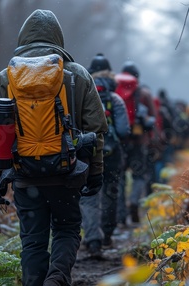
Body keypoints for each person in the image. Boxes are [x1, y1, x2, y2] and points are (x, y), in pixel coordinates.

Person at [0, 9, 107, 286]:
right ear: (58, 38)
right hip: (66, 173)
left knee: (33, 241)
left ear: (24, 37)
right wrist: (95, 173)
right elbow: (96, 130)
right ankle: (57, 278)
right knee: (67, 228)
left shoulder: (5, 78)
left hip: (24, 175)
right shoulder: (78, 75)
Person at [80, 53, 130, 257]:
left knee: (89, 197)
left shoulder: (83, 95)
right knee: (111, 193)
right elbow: (124, 130)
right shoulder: (116, 99)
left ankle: (93, 240)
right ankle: (107, 235)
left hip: (87, 152)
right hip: (111, 154)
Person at [115, 61, 156, 224]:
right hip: (139, 142)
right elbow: (153, 119)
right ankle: (134, 201)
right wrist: (152, 140)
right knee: (139, 175)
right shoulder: (144, 93)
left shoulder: (115, 91)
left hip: (121, 141)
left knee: (121, 177)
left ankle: (121, 215)